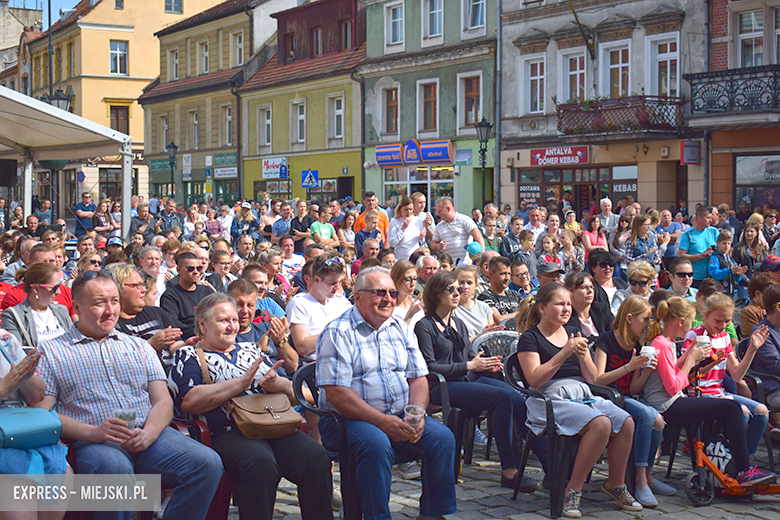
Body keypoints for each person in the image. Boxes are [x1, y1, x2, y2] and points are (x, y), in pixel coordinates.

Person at [34, 270, 224, 520]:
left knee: (206, 463)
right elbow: (42, 413)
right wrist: (92, 432)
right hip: (94, 441)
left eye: (114, 301)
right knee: (115, 469)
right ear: (77, 307)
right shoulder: (52, 351)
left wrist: (149, 433)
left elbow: (163, 400)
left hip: (150, 435)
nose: (110, 310)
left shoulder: (137, 346)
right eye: (99, 303)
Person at [168, 292, 331, 520]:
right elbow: (189, 401)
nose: (232, 326)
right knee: (260, 464)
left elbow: (299, 397)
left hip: (272, 423)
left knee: (315, 458)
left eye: (234, 320)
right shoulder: (189, 355)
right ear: (203, 325)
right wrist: (240, 384)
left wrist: (279, 384)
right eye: (224, 320)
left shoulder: (250, 350)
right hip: (227, 431)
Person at [316, 266, 457, 520]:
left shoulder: (400, 329)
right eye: (379, 292)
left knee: (442, 438)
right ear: (357, 297)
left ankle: (433, 515)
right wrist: (382, 422)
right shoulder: (338, 332)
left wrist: (416, 416)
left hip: (397, 416)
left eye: (393, 293)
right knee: (376, 443)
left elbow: (418, 378)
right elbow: (336, 393)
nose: (389, 299)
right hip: (345, 421)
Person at [516, 283, 640, 518]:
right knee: (601, 423)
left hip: (581, 394)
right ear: (542, 308)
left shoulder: (573, 331)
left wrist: (584, 356)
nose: (566, 309)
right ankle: (573, 490)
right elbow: (534, 380)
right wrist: (564, 353)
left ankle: (615, 483)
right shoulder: (530, 338)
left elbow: (594, 378)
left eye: (568, 305)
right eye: (560, 304)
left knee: (626, 421)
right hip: (548, 400)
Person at [416, 270, 543, 490]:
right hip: (441, 386)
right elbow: (429, 367)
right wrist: (469, 365)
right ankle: (509, 470)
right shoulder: (425, 326)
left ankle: (548, 464)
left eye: (459, 289)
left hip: (464, 380)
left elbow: (466, 358)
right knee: (501, 397)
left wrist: (482, 363)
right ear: (436, 293)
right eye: (451, 289)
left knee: (516, 398)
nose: (458, 293)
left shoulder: (458, 324)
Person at [644, 296, 776, 486]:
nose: (692, 325)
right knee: (732, 408)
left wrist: (692, 358)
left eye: (727, 321)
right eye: (691, 321)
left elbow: (676, 372)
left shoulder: (668, 342)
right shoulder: (662, 343)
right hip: (668, 403)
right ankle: (742, 469)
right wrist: (692, 360)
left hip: (678, 398)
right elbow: (674, 386)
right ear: (682, 322)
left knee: (741, 409)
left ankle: (737, 467)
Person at [593, 295, 675, 506]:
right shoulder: (607, 340)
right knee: (647, 414)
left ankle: (647, 474)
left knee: (658, 420)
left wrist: (646, 371)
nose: (649, 324)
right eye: (646, 319)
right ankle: (640, 481)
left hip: (626, 396)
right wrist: (629, 366)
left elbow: (633, 387)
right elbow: (597, 379)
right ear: (629, 318)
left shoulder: (637, 345)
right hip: (607, 397)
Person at [109, 263, 187, 368]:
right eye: (136, 285)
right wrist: (150, 345)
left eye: (143, 285)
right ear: (117, 290)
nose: (143, 290)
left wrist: (187, 347)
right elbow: (118, 362)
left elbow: (175, 344)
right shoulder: (110, 324)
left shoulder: (157, 313)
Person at [287, 253, 351, 362]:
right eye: (332, 283)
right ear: (316, 280)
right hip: (317, 365)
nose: (337, 287)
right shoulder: (300, 303)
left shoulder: (341, 301)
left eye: (340, 282)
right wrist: (335, 332)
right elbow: (302, 347)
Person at [228, 279, 298, 375]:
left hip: (282, 383)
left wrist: (280, 342)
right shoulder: (224, 337)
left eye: (250, 305)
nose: (245, 311)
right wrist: (258, 351)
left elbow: (293, 366)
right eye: (239, 305)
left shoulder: (267, 328)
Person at [1, 262, 71, 348]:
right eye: (54, 288)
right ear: (36, 289)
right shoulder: (13, 316)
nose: (59, 292)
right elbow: (16, 354)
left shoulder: (61, 310)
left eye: (59, 286)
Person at [160, 252, 216, 340]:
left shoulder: (207, 291)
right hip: (187, 338)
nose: (196, 272)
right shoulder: (170, 296)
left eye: (199, 268)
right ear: (178, 270)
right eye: (190, 269)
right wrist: (199, 333)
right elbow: (173, 322)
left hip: (211, 335)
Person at [453, 265, 501, 343]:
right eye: (461, 282)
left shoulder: (484, 307)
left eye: (469, 283)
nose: (465, 286)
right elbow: (457, 343)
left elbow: (493, 336)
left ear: (476, 286)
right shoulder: (451, 309)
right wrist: (481, 336)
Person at [431, 197, 484, 264]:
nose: (438, 214)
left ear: (448, 208)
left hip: (465, 265)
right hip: (449, 266)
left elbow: (478, 236)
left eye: (440, 211)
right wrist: (438, 246)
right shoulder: (439, 226)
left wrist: (481, 258)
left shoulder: (464, 220)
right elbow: (432, 244)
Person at [677, 206, 720, 287]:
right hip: (695, 278)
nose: (711, 220)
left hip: (712, 277)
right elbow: (681, 256)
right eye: (708, 218)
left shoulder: (714, 231)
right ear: (699, 218)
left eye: (711, 217)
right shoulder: (687, 234)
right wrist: (701, 256)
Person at [564, 271, 612, 340]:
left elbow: (615, 335)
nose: (590, 291)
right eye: (584, 287)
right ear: (570, 291)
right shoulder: (566, 316)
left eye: (591, 287)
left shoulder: (603, 309)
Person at [477, 256, 524, 320]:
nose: (507, 278)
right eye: (503, 274)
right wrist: (521, 313)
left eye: (509, 274)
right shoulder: (484, 297)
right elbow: (499, 319)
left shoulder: (515, 295)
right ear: (491, 274)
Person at [389, 197, 425, 261]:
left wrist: (422, 237)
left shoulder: (417, 220)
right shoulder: (394, 221)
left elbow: (421, 242)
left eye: (410, 209)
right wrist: (403, 228)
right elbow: (392, 243)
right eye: (406, 210)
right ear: (400, 209)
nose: (408, 212)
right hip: (400, 257)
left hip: (414, 257)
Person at [741, 273, 777, 338]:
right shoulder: (748, 312)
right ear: (758, 293)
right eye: (769, 293)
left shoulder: (773, 307)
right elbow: (752, 338)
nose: (773, 297)